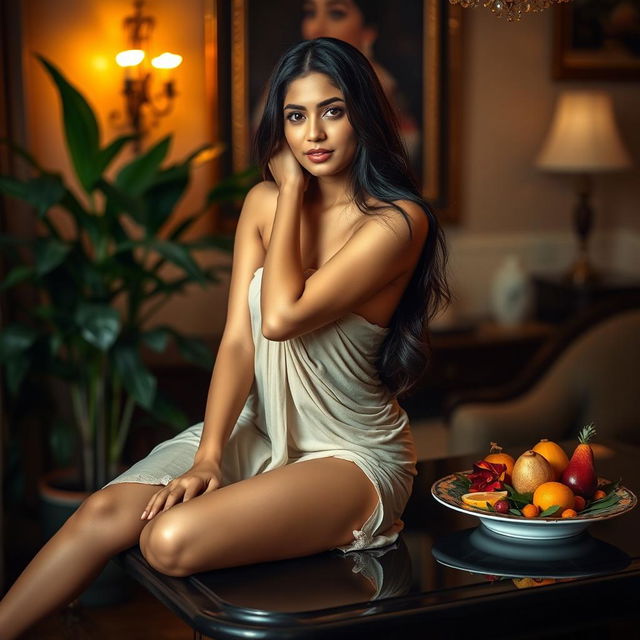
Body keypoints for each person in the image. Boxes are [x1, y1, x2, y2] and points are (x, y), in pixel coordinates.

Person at [0, 37, 448, 639]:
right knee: (104, 512)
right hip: (259, 426)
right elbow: (239, 339)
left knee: (168, 539)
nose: (313, 133)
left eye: (332, 110)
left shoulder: (397, 220)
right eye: (296, 115)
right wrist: (210, 454)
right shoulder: (261, 202)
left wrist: (290, 189)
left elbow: (282, 317)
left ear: (363, 113)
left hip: (350, 454)